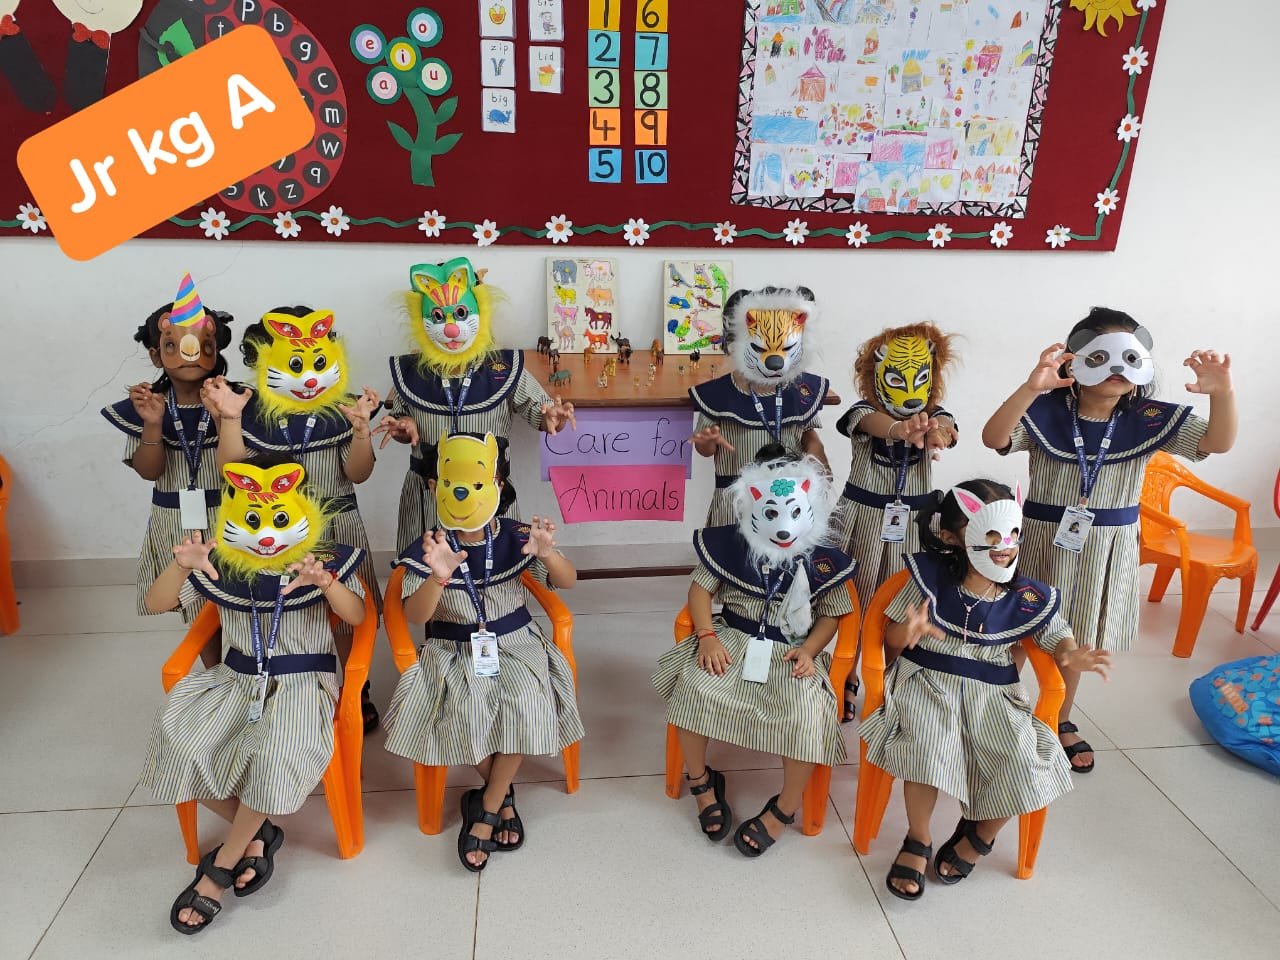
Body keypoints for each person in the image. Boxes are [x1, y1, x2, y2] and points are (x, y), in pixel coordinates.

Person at [982, 307, 1236, 772]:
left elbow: (1216, 443)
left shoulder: (1147, 418)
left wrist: (1222, 393)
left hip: (1107, 549)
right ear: (1075, 361)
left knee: (1077, 637)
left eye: (1129, 358)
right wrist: (1031, 387)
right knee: (1016, 628)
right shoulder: (1045, 410)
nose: (1116, 368)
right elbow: (993, 436)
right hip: (1041, 541)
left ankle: (1058, 717)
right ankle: (992, 712)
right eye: (1101, 357)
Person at [140, 459, 367, 934]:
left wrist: (327, 584)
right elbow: (156, 603)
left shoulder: (319, 558)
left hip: (302, 681)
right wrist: (182, 566)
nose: (266, 534)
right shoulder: (223, 560)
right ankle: (258, 833)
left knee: (274, 753)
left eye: (279, 517)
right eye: (253, 518)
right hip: (236, 679)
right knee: (179, 743)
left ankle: (220, 868)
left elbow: (358, 616)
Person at [861, 481, 1111, 901]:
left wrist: (1071, 654)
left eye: (1012, 534)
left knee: (1026, 761)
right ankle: (919, 837)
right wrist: (909, 630)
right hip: (928, 683)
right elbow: (889, 639)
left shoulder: (1027, 595)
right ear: (951, 538)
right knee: (926, 745)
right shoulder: (928, 579)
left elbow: (1057, 635)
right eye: (990, 535)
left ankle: (981, 835)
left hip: (993, 694)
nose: (1004, 546)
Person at [381, 432, 584, 872]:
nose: (465, 496)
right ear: (435, 487)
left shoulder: (516, 535)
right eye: (451, 484)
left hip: (516, 642)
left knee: (524, 701)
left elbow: (568, 581)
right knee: (462, 709)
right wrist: (438, 577)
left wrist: (548, 556)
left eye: (476, 484)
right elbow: (415, 616)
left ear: (497, 484)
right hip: (452, 647)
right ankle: (500, 801)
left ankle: (488, 804)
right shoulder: (431, 546)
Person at [654, 449, 856, 857]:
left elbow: (832, 615)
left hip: (791, 649)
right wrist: (706, 635)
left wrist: (811, 650)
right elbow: (700, 590)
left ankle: (785, 807)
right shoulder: (732, 541)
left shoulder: (821, 556)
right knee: (695, 687)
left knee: (805, 713)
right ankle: (701, 781)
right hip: (731, 636)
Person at [201, 306, 384, 731]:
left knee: (346, 611)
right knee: (285, 610)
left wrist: (360, 431)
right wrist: (230, 418)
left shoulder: (342, 406)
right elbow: (231, 470)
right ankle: (278, 683)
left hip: (337, 522)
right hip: (272, 532)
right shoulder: (249, 406)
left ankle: (356, 687)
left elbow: (358, 473)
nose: (307, 378)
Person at [372, 258, 576, 552]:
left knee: (494, 565)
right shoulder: (411, 372)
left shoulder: (503, 368)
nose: (451, 329)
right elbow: (402, 421)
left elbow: (540, 411)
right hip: (429, 495)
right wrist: (404, 427)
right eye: (438, 316)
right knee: (426, 569)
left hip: (488, 494)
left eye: (461, 313)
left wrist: (553, 416)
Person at [100, 274, 233, 665]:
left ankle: (247, 670)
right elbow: (149, 471)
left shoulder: (234, 399)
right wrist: (153, 424)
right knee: (194, 603)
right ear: (156, 354)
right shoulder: (147, 406)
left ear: (214, 350)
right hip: (175, 519)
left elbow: (241, 466)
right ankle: (214, 673)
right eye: (172, 346)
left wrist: (224, 417)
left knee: (238, 596)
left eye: (203, 345)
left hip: (232, 513)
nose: (190, 355)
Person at [832, 323, 958, 721]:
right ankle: (848, 674)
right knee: (857, 600)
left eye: (920, 377)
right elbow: (872, 424)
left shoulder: (935, 414)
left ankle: (890, 678)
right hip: (864, 522)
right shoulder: (862, 411)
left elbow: (947, 431)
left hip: (915, 526)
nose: (910, 390)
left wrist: (937, 434)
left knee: (905, 605)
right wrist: (900, 429)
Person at [689, 286, 829, 526]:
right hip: (735, 500)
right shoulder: (719, 395)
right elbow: (706, 450)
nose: (774, 360)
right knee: (732, 546)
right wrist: (706, 442)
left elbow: (809, 437)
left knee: (782, 546)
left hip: (787, 500)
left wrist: (819, 464)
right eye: (760, 348)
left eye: (786, 348)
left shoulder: (799, 390)